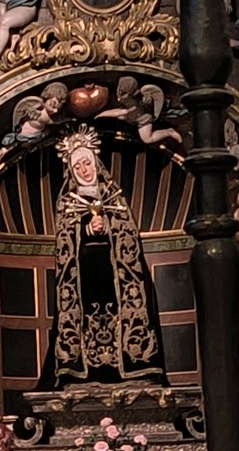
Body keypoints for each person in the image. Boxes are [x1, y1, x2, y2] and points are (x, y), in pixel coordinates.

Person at [39, 125, 167, 388]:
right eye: (78, 167)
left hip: (118, 276)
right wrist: (86, 229)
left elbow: (129, 234)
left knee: (125, 319)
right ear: (72, 172)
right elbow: (64, 242)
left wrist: (107, 227)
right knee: (85, 322)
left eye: (87, 163)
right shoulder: (67, 200)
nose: (84, 170)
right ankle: (81, 371)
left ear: (95, 163)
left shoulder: (114, 195)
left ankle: (133, 368)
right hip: (84, 279)